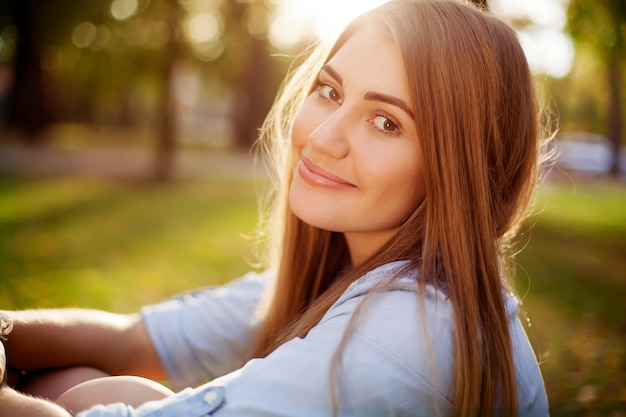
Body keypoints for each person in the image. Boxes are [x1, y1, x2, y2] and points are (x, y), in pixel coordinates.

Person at [0, 0, 551, 415]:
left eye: (386, 122)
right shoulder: (344, 274)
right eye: (331, 92)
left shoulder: (417, 335)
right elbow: (128, 340)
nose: (325, 136)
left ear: (457, 172)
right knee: (93, 381)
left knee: (105, 394)